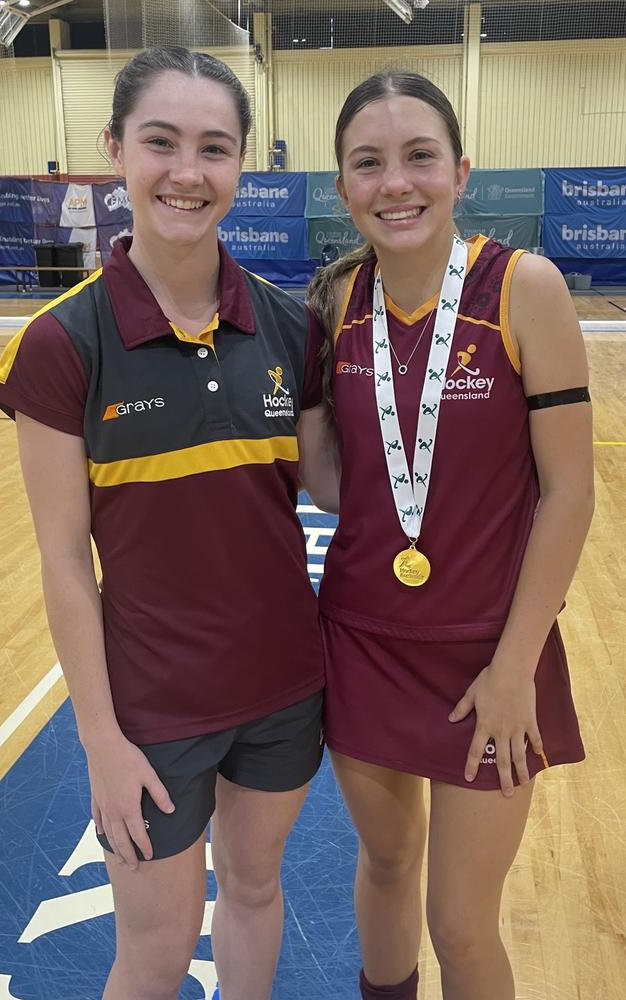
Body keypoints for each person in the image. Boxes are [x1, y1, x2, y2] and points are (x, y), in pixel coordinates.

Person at [0, 46, 338, 1000]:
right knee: (152, 949)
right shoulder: (62, 343)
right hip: (149, 714)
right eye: (161, 142)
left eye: (215, 148)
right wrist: (99, 737)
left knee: (257, 890)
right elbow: (64, 561)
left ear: (244, 165)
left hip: (281, 686)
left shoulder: (291, 328)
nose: (188, 171)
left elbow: (339, 491)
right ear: (114, 151)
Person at [307, 70, 593, 1000]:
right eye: (369, 163)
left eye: (419, 157)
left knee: (463, 925)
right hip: (363, 643)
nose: (397, 182)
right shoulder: (334, 307)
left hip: (489, 658)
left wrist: (515, 669)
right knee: (386, 872)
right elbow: (336, 484)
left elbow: (570, 494)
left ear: (460, 170)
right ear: (342, 184)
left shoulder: (526, 289)